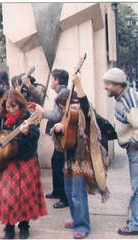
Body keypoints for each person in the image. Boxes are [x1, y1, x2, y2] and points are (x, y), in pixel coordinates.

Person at [0, 89, 47, 239]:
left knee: (25, 196)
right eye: (8, 107)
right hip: (7, 163)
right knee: (7, 196)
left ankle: (24, 225)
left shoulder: (28, 118)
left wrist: (26, 132)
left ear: (20, 105)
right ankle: (9, 227)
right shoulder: (0, 117)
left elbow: (35, 135)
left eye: (14, 107)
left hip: (26, 161)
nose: (11, 110)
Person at [52, 73, 109, 239]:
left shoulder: (83, 112)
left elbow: (85, 106)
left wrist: (79, 85)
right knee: (69, 192)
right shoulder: (68, 115)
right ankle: (76, 219)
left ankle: (82, 226)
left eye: (63, 108)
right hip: (69, 158)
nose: (62, 111)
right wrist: (58, 129)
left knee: (78, 194)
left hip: (81, 159)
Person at [102, 68, 138, 236]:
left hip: (136, 150)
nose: (105, 87)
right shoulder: (124, 96)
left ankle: (135, 224)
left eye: (107, 83)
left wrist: (133, 143)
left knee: (137, 187)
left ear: (117, 84)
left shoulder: (129, 99)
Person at [35, 69, 70, 209]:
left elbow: (56, 116)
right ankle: (57, 191)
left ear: (57, 80)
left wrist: (42, 112)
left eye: (52, 80)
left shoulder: (62, 95)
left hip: (63, 135)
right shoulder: (63, 93)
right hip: (61, 135)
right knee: (55, 161)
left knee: (58, 163)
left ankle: (63, 197)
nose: (51, 83)